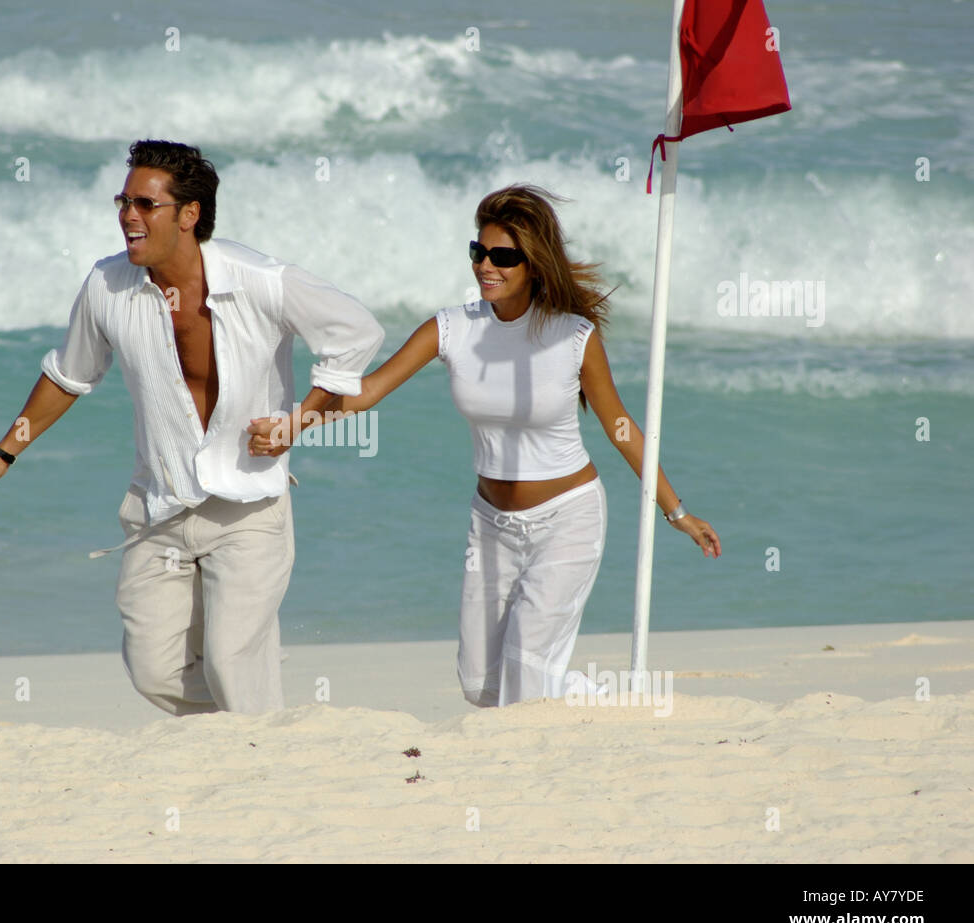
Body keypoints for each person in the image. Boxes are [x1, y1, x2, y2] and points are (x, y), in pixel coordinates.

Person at [0, 140, 384, 716]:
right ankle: (255, 723)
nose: (128, 215)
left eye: (145, 203)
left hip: (248, 508)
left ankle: (253, 732)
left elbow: (356, 333)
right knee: (154, 670)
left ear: (188, 214)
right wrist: (1, 456)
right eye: (123, 200)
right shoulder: (107, 286)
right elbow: (67, 377)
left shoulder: (258, 279)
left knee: (232, 663)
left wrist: (297, 421)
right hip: (159, 505)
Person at [248, 184, 720, 706]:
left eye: (503, 256)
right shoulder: (451, 328)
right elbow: (366, 393)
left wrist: (677, 512)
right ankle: (589, 697)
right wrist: (294, 424)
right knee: (481, 686)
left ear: (534, 264)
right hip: (491, 524)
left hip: (568, 519)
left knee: (524, 684)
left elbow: (621, 427)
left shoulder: (573, 336)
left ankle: (560, 732)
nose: (485, 266)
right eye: (479, 251)